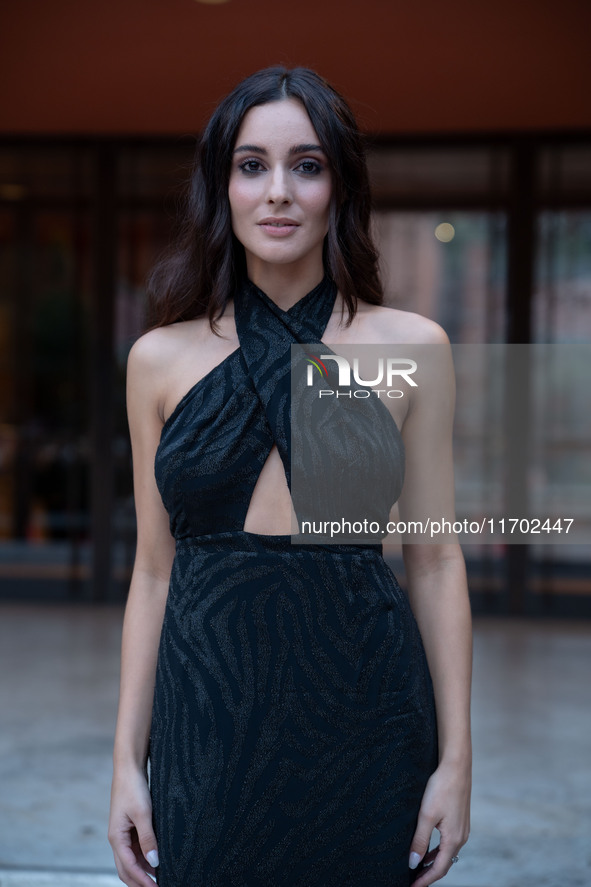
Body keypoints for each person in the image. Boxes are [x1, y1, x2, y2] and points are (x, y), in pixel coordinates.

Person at [108, 66, 472, 887]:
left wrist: (455, 760)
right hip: (206, 724)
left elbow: (436, 559)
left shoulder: (412, 347)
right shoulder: (158, 359)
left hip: (366, 718)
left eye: (306, 165)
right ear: (221, 187)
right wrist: (127, 761)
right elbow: (153, 572)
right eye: (251, 165)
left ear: (338, 187)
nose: (278, 192)